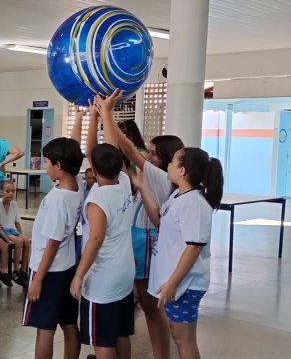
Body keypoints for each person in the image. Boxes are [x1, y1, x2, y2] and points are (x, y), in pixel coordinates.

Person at [95, 90, 185, 359]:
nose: (150, 156)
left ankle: (161, 355)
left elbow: (129, 149)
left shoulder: (158, 175)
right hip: (137, 238)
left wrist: (107, 114)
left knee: (149, 307)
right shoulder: (155, 175)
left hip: (144, 239)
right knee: (142, 305)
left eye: (155, 153)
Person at [134, 147, 223, 359]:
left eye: (173, 162)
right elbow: (158, 220)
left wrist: (172, 283)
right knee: (178, 334)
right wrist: (142, 188)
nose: (168, 165)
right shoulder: (178, 195)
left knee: (184, 339)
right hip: (175, 282)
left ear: (182, 171)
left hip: (186, 284)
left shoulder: (194, 204)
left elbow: (194, 248)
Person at [69, 142, 136, 359]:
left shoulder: (98, 199)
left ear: (94, 171)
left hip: (102, 281)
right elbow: (98, 151)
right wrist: (100, 113)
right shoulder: (124, 180)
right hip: (125, 273)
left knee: (102, 341)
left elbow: (96, 238)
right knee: (120, 332)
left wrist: (78, 275)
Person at [23, 137, 84, 359]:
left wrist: (38, 279)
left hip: (48, 271)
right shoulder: (78, 185)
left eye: (47, 162)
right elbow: (72, 148)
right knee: (69, 323)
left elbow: (52, 242)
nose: (45, 167)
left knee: (45, 329)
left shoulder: (59, 200)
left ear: (59, 165)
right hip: (67, 267)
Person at [0, 180, 31, 286]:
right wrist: (9, 239)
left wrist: (22, 234)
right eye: (8, 191)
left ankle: (23, 271)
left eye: (13, 191)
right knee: (19, 242)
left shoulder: (14, 204)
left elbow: (17, 222)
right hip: (1, 232)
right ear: (2, 192)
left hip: (11, 230)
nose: (11, 193)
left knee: (26, 242)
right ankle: (16, 271)